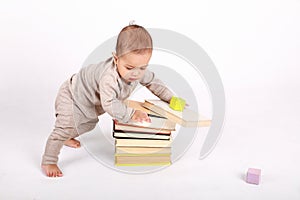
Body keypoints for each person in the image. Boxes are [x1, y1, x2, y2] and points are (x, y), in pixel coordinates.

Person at [41, 24, 174, 177]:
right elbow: (109, 103)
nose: (136, 74)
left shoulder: (137, 70)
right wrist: (131, 114)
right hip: (71, 95)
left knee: (88, 124)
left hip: (88, 101)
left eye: (142, 68)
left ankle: (68, 137)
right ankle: (49, 160)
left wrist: (170, 98)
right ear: (116, 59)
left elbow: (154, 82)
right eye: (129, 68)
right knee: (64, 127)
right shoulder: (109, 78)